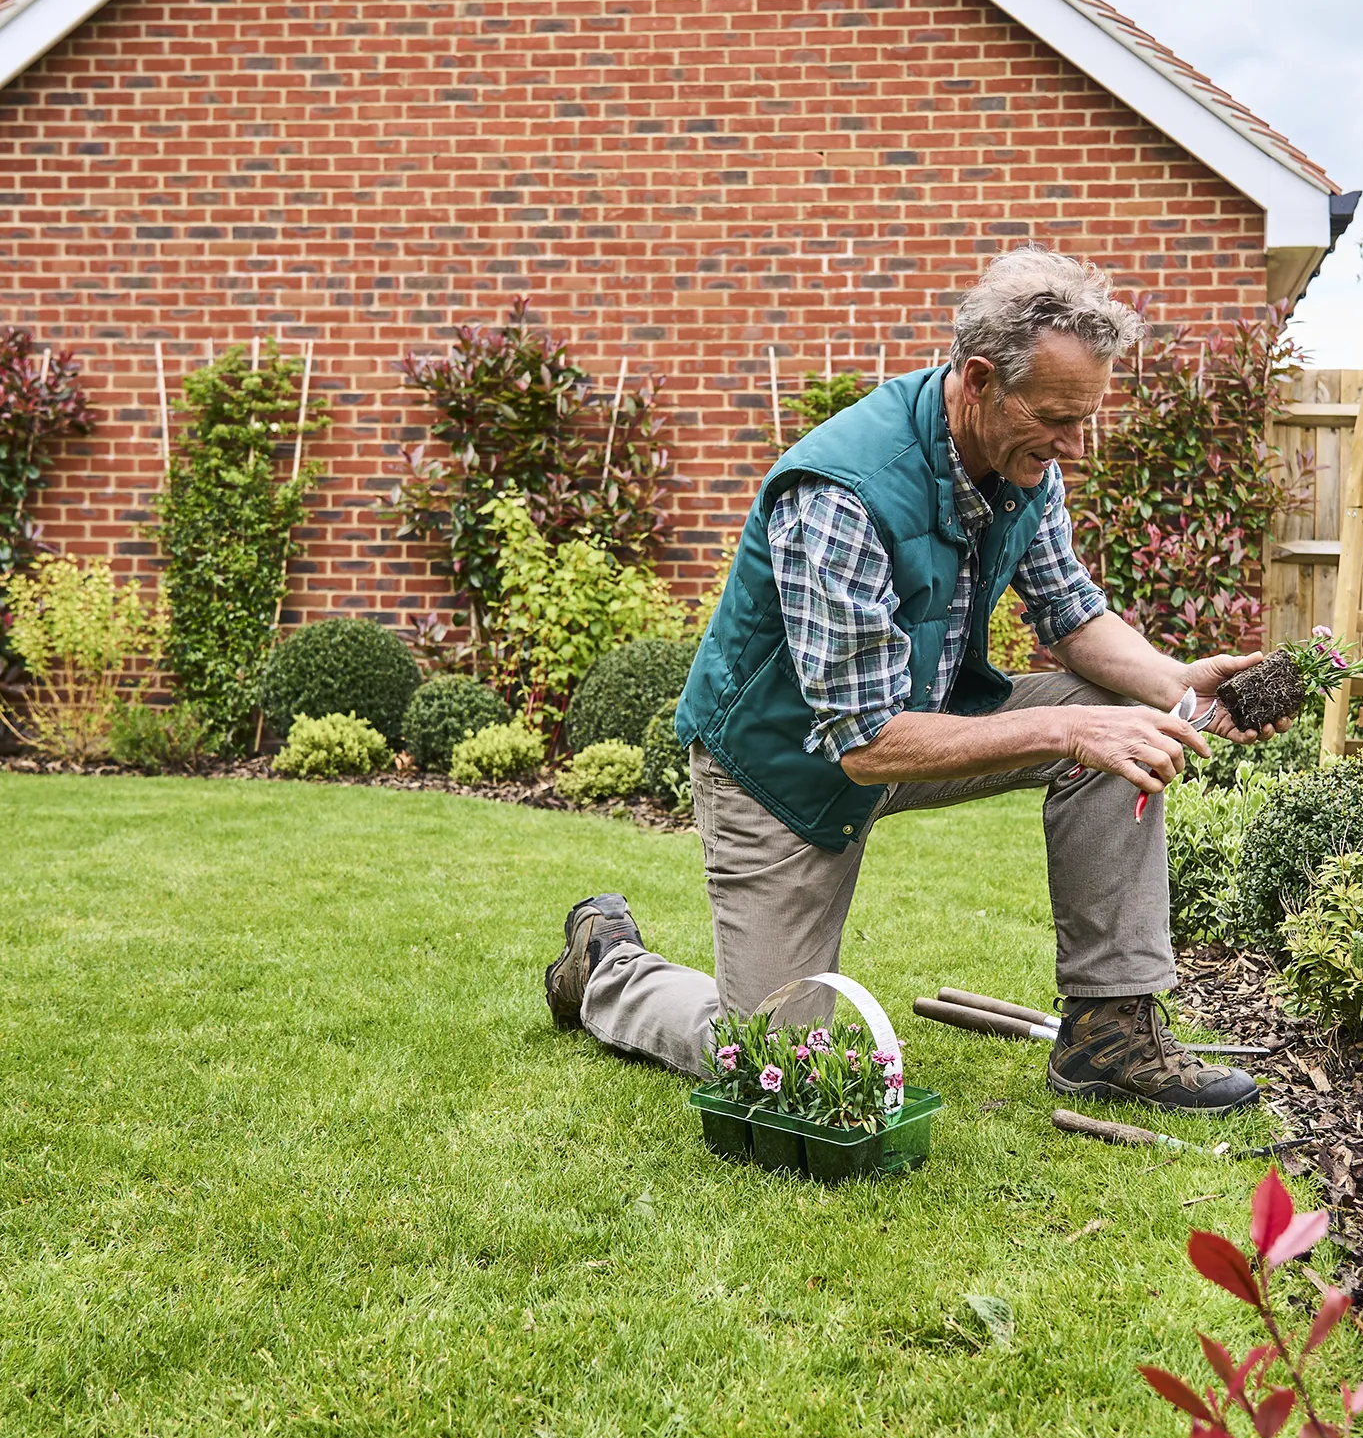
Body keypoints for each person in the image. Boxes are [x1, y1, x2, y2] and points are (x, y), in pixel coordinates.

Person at [542, 246, 1287, 1113]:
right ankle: (610, 969)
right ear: (978, 380)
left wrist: (1174, 681)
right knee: (777, 1069)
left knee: (1119, 716)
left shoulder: (1024, 466)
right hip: (785, 769)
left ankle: (1109, 1033)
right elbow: (862, 744)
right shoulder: (844, 494)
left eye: (1084, 420)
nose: (1075, 446)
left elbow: (1070, 611)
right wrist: (1066, 731)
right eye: (1056, 417)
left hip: (918, 726)